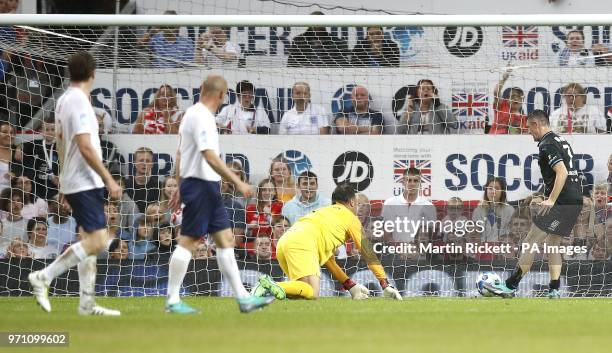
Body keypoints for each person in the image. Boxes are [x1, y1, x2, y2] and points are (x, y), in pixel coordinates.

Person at [165, 74, 274, 314]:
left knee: (225, 241)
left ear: (202, 88)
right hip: (201, 185)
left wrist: (180, 186)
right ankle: (172, 299)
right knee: (188, 242)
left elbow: (181, 154)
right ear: (224, 95)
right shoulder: (201, 116)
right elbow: (209, 155)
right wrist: (238, 182)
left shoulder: (193, 115)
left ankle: (243, 298)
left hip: (205, 186)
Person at [28, 51, 122, 316]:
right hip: (84, 180)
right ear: (93, 73)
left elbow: (60, 143)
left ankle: (86, 303)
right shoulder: (79, 101)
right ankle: (44, 276)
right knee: (98, 240)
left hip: (74, 179)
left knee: (89, 238)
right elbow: (84, 146)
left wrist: (63, 182)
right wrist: (108, 178)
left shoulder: (63, 100)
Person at [484, 110, 583, 299]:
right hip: (574, 199)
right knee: (552, 243)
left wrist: (552, 200)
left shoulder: (546, 144)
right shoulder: (559, 139)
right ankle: (554, 290)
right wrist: (544, 195)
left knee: (529, 242)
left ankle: (511, 286)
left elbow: (561, 172)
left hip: (562, 201)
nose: (529, 132)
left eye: (529, 128)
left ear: (537, 124)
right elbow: (562, 176)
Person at [251, 183, 402, 301]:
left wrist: (351, 286)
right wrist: (385, 284)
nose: (357, 207)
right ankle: (268, 286)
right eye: (356, 203)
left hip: (285, 242)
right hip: (302, 243)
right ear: (351, 202)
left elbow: (330, 262)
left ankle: (268, 289)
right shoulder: (351, 218)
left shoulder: (324, 213)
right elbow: (368, 254)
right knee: (312, 291)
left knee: (300, 293)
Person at [381, 167, 437, 243]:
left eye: (415, 181)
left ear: (420, 183)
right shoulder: (390, 203)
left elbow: (431, 236)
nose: (412, 184)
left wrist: (417, 250)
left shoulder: (429, 206)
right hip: (395, 251)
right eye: (409, 180)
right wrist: (399, 250)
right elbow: (387, 235)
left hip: (420, 252)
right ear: (403, 182)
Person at [18, 116, 59, 199]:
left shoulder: (60, 147)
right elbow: (20, 144)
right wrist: (19, 149)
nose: (50, 132)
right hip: (37, 190)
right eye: (47, 130)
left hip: (54, 188)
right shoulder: (35, 144)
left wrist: (60, 177)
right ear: (41, 131)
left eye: (53, 130)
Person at [471, 177, 515, 242]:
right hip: (482, 248)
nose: (493, 191)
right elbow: (475, 234)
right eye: (490, 188)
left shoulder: (510, 210)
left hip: (502, 248)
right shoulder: (478, 210)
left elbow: (511, 232)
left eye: (497, 188)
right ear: (486, 191)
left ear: (502, 192)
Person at [124, 147, 162, 213]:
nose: (144, 164)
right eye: (141, 160)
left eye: (147, 161)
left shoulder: (159, 186)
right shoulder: (125, 184)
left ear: (152, 164)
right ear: (135, 163)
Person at [489, 68, 526, 134]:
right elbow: (496, 92)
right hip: (494, 140)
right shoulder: (501, 106)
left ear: (522, 100)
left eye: (518, 96)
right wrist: (504, 79)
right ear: (508, 99)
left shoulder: (523, 119)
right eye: (513, 96)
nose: (515, 99)